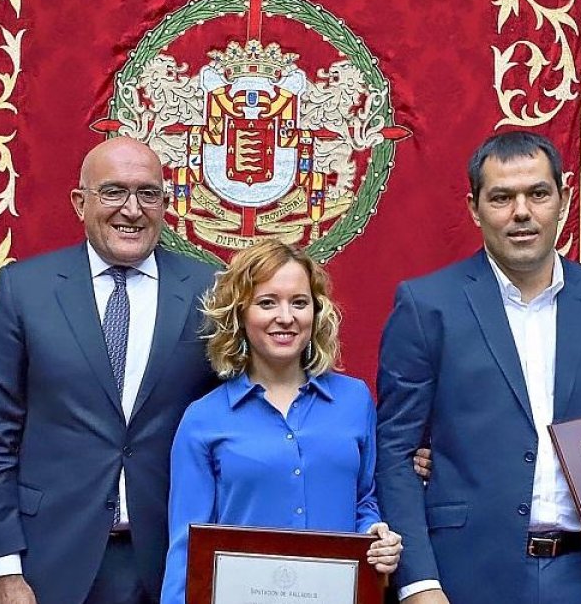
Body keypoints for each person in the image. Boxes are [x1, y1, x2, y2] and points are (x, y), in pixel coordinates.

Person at [375, 131, 581, 604]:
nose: (521, 212)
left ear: (564, 199)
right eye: (502, 198)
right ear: (474, 208)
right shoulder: (427, 305)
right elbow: (396, 454)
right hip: (464, 576)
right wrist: (419, 584)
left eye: (538, 194)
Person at [0, 137, 220, 604]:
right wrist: (3, 568)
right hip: (47, 561)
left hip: (170, 564)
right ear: (79, 202)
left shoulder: (211, 292)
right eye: (113, 192)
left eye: (148, 194)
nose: (132, 209)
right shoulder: (27, 288)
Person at [161, 239, 403, 604]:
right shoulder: (203, 419)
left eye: (300, 302)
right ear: (240, 314)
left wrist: (375, 534)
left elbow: (365, 500)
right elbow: (186, 548)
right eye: (267, 302)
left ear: (316, 312)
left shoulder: (355, 401)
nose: (286, 317)